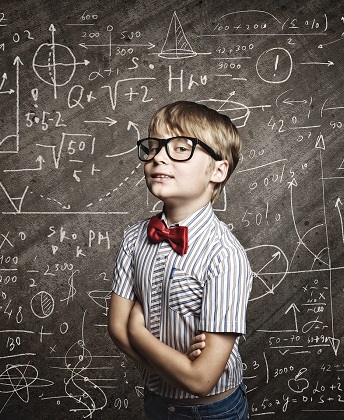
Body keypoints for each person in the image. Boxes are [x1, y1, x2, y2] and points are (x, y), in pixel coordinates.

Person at [108, 101, 252, 419]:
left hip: (213, 411)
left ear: (218, 169)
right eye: (154, 146)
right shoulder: (134, 238)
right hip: (157, 402)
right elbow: (118, 328)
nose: (159, 156)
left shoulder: (224, 255)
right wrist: (180, 368)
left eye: (181, 148)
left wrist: (140, 331)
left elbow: (201, 379)